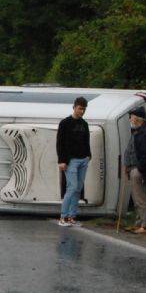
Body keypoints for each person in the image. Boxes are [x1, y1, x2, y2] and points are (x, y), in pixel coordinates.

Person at [122, 108, 146, 234]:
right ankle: (140, 223)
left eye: (131, 117)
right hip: (137, 168)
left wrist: (139, 169)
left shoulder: (145, 134)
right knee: (138, 198)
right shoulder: (140, 132)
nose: (130, 120)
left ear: (137, 118)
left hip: (140, 170)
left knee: (141, 198)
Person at [55, 96, 91, 227]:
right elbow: (60, 143)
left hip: (83, 159)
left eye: (84, 109)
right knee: (72, 187)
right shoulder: (65, 123)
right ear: (74, 107)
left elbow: (87, 140)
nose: (82, 111)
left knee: (78, 189)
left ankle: (72, 216)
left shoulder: (84, 124)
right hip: (71, 161)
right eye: (80, 108)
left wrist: (89, 155)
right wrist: (61, 160)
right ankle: (63, 217)